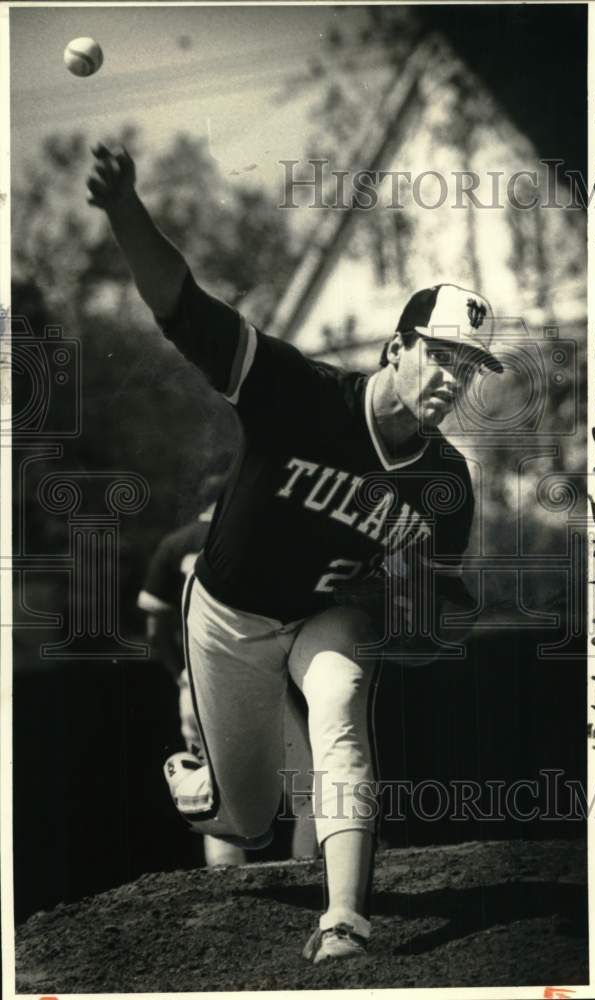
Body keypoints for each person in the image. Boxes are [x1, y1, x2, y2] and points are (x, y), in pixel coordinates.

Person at [87, 142, 503, 963]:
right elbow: (183, 307)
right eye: (442, 354)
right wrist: (126, 209)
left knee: (342, 708)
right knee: (240, 818)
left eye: (470, 366)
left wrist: (405, 611)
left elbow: (424, 627)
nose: (455, 377)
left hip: (325, 614)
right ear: (398, 347)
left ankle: (344, 917)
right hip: (230, 614)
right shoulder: (301, 394)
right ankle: (197, 775)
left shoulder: (444, 482)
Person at [137, 474, 318, 867]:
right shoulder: (250, 538)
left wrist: (180, 675)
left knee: (215, 789)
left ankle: (223, 882)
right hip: (258, 677)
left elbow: (154, 626)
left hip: (198, 685)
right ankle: (308, 868)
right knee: (306, 786)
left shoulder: (175, 544)